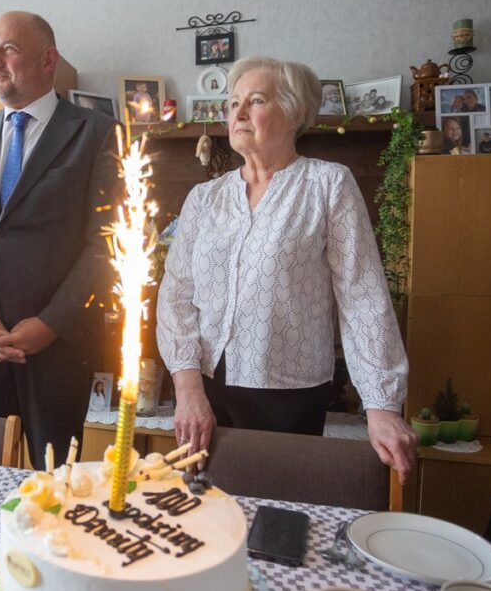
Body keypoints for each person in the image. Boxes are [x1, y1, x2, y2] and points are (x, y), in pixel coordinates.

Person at [157, 56, 417, 484]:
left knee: (277, 523)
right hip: (203, 390)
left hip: (290, 394)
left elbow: (363, 297)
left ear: (295, 112)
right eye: (233, 101)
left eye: (255, 101)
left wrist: (382, 405)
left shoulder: (328, 185)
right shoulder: (204, 199)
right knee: (204, 517)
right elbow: (176, 296)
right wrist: (186, 391)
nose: (237, 112)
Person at [0, 11, 119, 466]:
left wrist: (50, 324)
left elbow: (107, 242)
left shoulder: (97, 133)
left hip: (58, 349)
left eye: (9, 48)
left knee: (55, 489)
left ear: (48, 59)